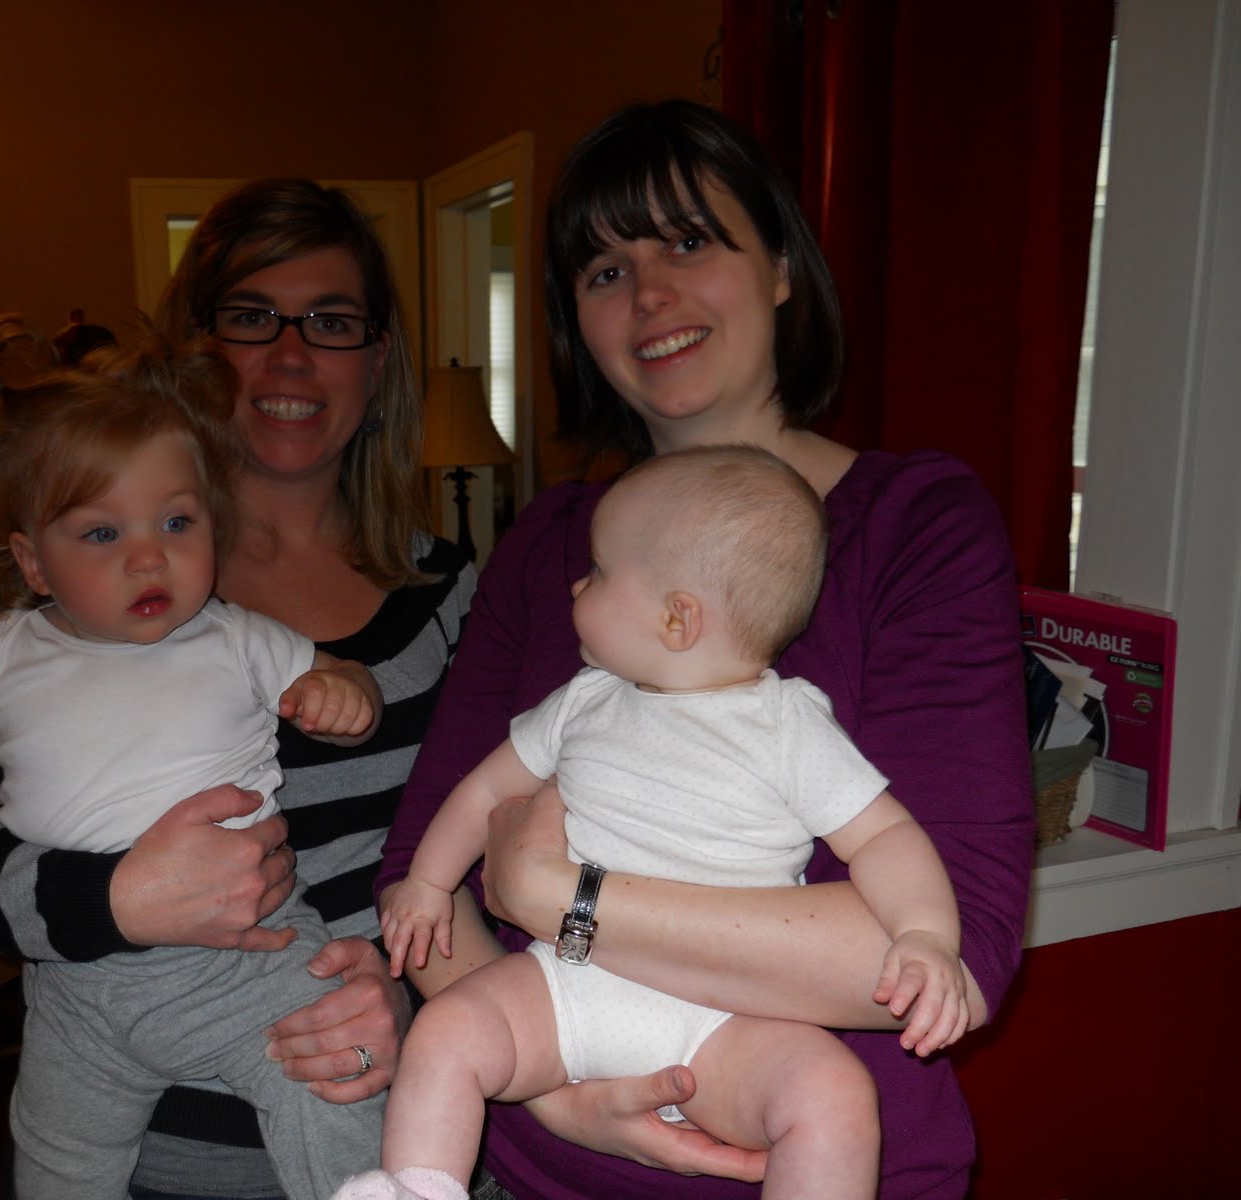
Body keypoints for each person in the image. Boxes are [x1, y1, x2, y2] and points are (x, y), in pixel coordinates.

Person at [376, 100, 1032, 1200]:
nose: (647, 295)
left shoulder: (915, 525)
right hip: (544, 1172)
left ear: (779, 267)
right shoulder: (543, 547)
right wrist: (551, 1083)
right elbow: (421, 877)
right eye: (603, 271)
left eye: (687, 240)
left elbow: (941, 954)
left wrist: (556, 895)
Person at [0, 179, 476, 1199]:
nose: (290, 356)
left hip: (391, 1138)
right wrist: (112, 900)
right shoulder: (86, 591)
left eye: (332, 322)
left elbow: (503, 854)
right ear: (195, 354)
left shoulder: (451, 592)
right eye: (251, 317)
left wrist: (420, 1002)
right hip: (148, 1163)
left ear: (377, 361)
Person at [0, 329, 387, 1200]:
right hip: (76, 981)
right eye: (103, 532)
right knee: (56, 1159)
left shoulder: (238, 638)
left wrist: (345, 695)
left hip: (245, 964)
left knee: (334, 1093)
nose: (148, 557)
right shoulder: (5, 653)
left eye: (177, 523)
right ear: (34, 564)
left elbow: (342, 680)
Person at [351, 445, 967, 1200]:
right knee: (446, 1032)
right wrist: (426, 882)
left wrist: (925, 935)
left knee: (834, 1097)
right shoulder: (584, 700)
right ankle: (417, 1189)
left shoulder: (789, 727)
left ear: (677, 618)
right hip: (566, 991)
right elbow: (483, 792)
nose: (577, 584)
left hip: (727, 1023)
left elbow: (884, 837)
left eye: (600, 571)